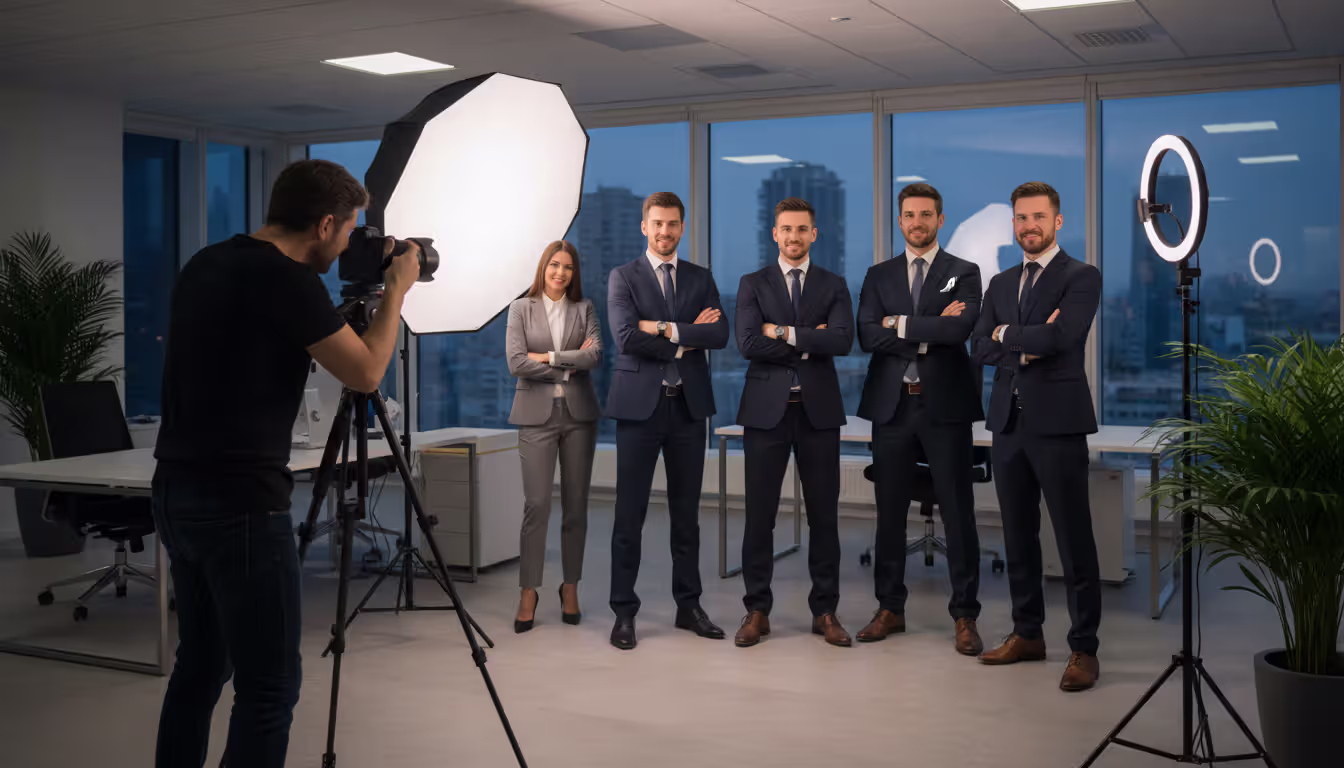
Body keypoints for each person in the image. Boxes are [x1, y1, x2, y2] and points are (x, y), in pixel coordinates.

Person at [151, 159, 421, 766]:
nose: (352, 243)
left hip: (176, 493)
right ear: (324, 224)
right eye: (350, 229)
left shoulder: (206, 263)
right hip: (242, 506)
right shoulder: (286, 281)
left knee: (199, 669)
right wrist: (397, 291)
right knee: (269, 687)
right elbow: (366, 370)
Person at [970, 181, 1103, 692]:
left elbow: (1065, 336)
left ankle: (1083, 648)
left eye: (1038, 217)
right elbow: (978, 345)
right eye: (1021, 218)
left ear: (1058, 221)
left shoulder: (1081, 276)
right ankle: (1028, 633)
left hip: (1058, 423)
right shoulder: (1001, 283)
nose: (1029, 226)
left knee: (1073, 539)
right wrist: (1021, 340)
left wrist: (1008, 335)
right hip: (1008, 423)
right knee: (1017, 536)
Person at [855, 183, 987, 654]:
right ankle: (890, 608)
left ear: (940, 219)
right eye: (909, 214)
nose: (917, 222)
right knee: (888, 513)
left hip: (945, 406)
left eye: (926, 214)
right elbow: (868, 335)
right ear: (900, 220)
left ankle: (965, 615)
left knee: (958, 511)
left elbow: (959, 329)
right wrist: (928, 332)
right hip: (892, 406)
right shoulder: (878, 275)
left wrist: (900, 323)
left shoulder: (963, 272)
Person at [604, 191, 729, 651]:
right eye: (657, 223)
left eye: (673, 224)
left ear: (682, 227)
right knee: (628, 517)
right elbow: (624, 337)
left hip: (688, 409)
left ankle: (688, 606)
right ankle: (623, 611)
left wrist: (659, 327)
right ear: (644, 226)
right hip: (639, 409)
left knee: (686, 517)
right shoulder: (623, 277)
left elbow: (719, 333)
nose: (665, 231)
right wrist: (684, 338)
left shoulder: (701, 277)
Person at [732, 197, 855, 648]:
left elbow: (842, 341)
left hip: (818, 413)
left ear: (814, 234)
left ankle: (825, 610)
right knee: (758, 516)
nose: (794, 237)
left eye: (802, 229)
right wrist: (810, 341)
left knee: (825, 517)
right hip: (766, 413)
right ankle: (756, 610)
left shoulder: (833, 283)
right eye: (786, 229)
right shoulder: (752, 283)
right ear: (775, 234)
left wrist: (781, 332)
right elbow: (747, 342)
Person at [505, 240, 602, 633]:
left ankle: (571, 586)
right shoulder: (520, 308)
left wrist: (544, 357)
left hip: (579, 416)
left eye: (568, 267)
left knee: (576, 507)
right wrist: (565, 364)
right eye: (554, 265)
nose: (561, 272)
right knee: (537, 506)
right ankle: (529, 590)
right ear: (543, 268)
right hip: (535, 416)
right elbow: (516, 362)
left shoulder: (585, 308)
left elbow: (595, 356)